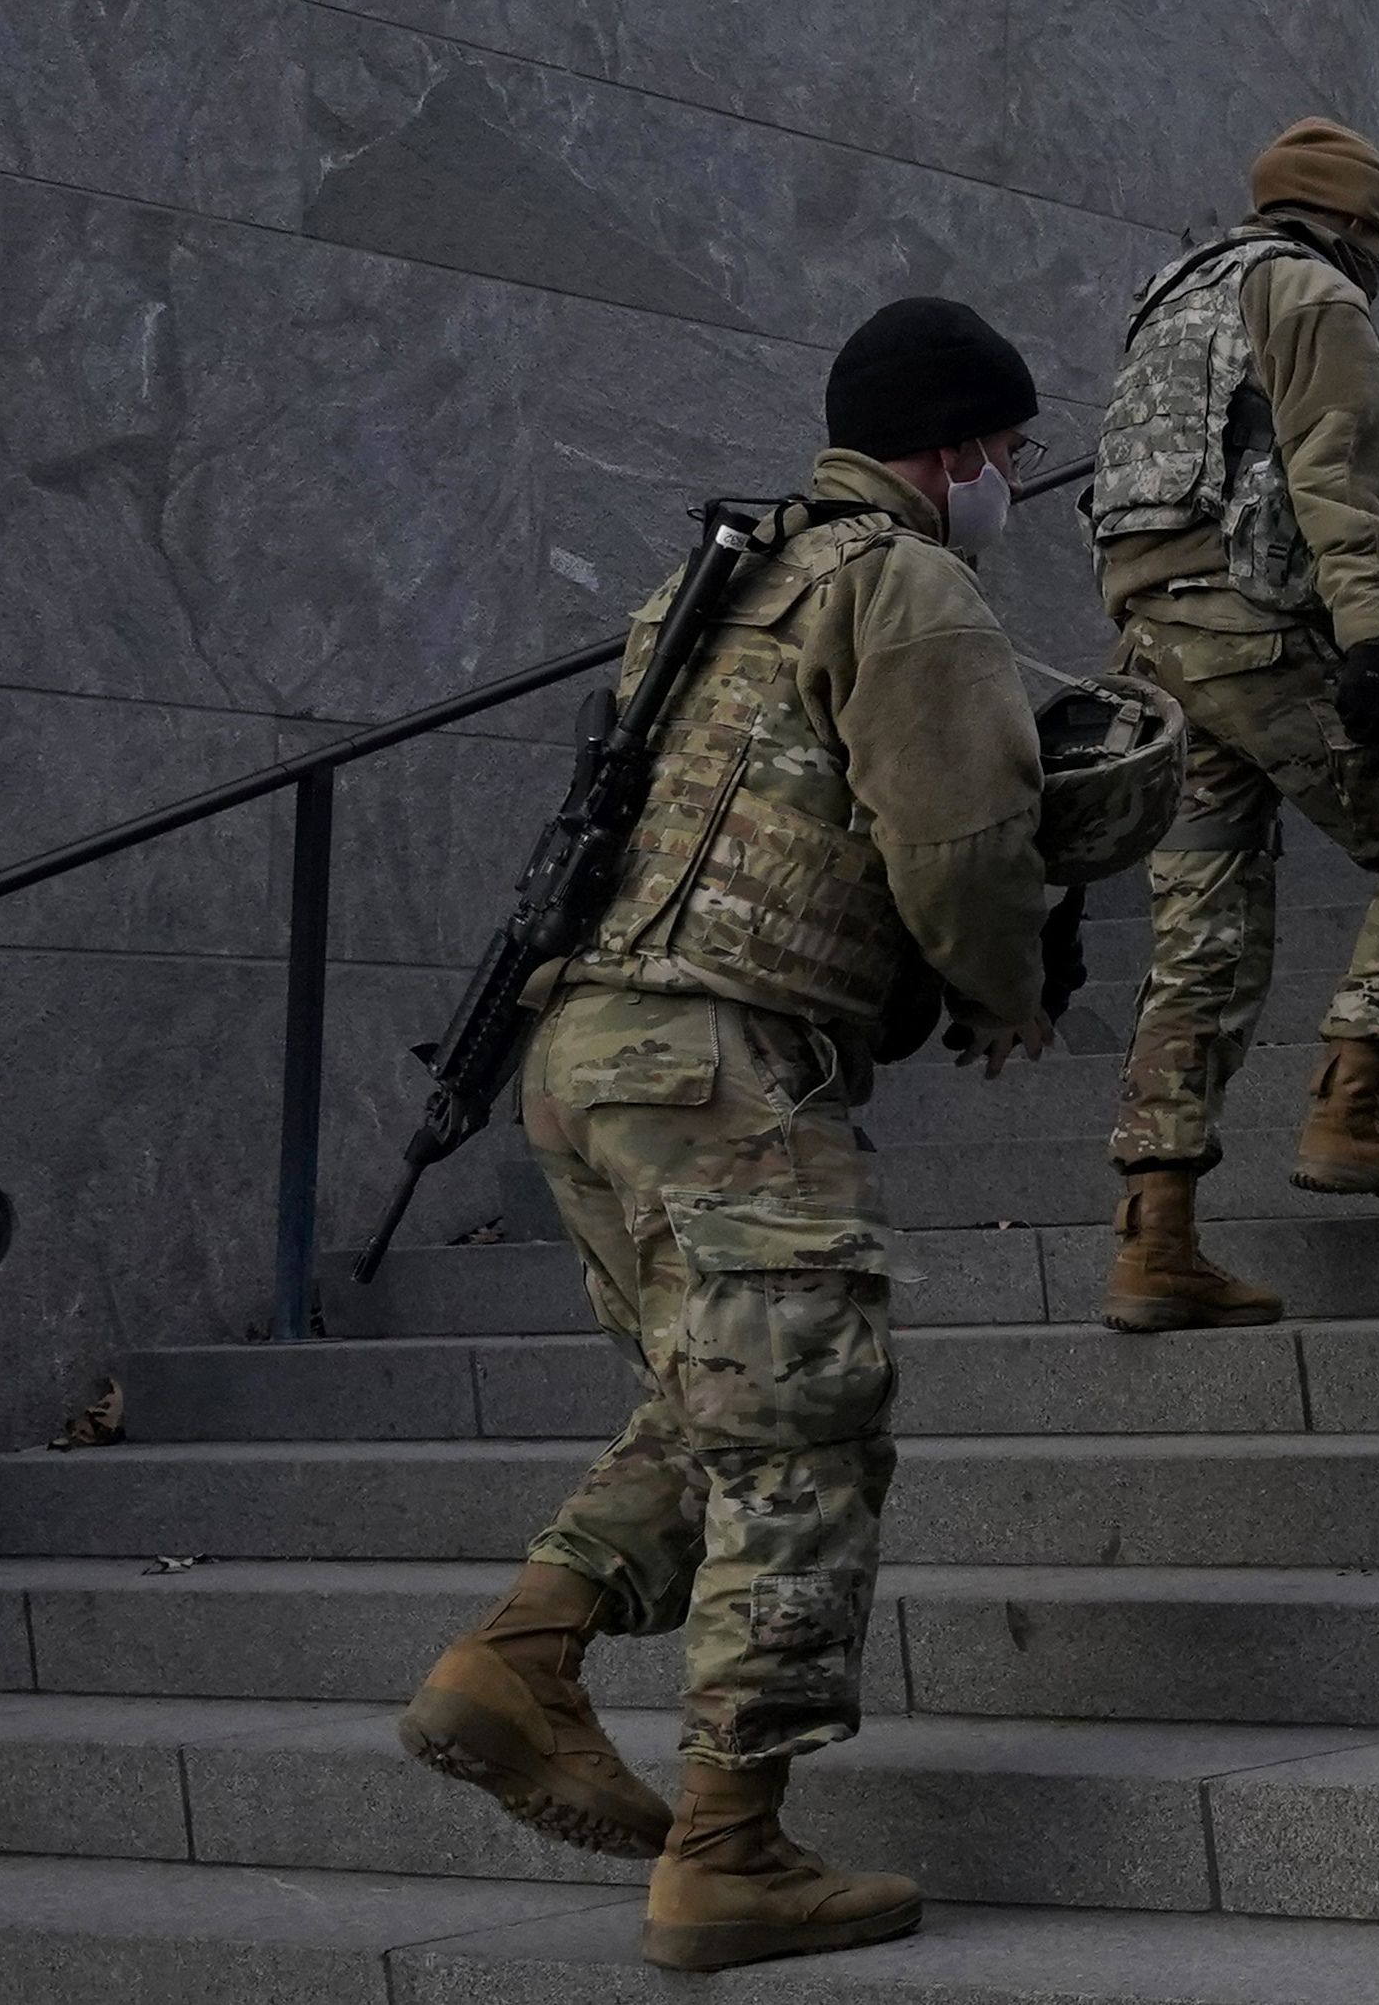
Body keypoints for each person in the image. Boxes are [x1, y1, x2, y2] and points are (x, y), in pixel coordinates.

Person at [395, 296, 1055, 1971]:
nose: (1010, 483)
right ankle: (729, 1850)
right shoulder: (908, 580)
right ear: (964, 449)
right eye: (1010, 452)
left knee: (723, 1397)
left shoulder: (714, 586)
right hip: (719, 1062)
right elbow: (965, 836)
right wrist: (1002, 989)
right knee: (806, 1431)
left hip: (589, 1049)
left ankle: (521, 1656)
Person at [1084, 119, 1379, 1330]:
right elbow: (1334, 475)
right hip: (1260, 631)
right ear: (1361, 225)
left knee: (1198, 945)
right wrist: (1372, 640)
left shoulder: (1173, 294)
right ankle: (1348, 1115)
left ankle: (1155, 1242)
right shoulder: (1313, 293)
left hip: (1153, 644)